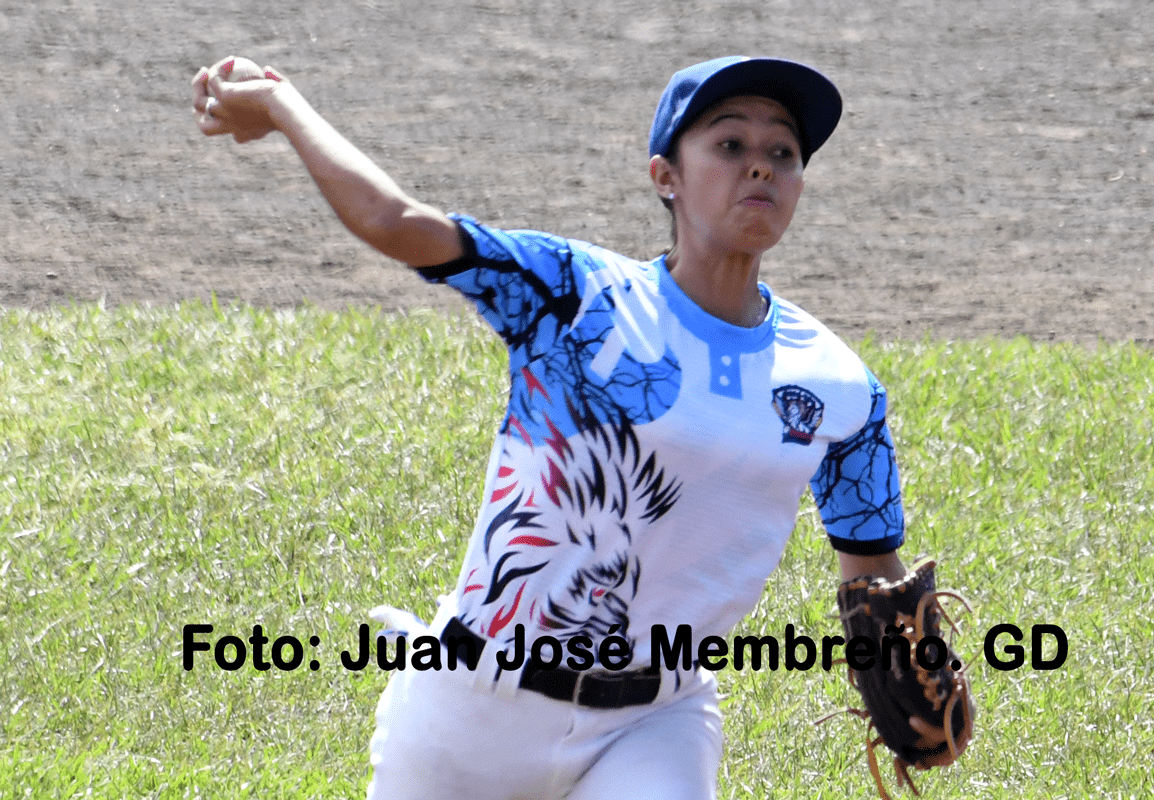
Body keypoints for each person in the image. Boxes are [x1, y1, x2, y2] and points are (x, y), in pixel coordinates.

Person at [192, 53, 962, 799]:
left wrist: (909, 664)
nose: (760, 166)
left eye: (782, 153)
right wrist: (281, 107)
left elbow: (872, 571)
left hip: (655, 720)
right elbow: (397, 223)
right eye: (730, 144)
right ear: (665, 176)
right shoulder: (573, 294)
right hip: (470, 707)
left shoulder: (839, 385)